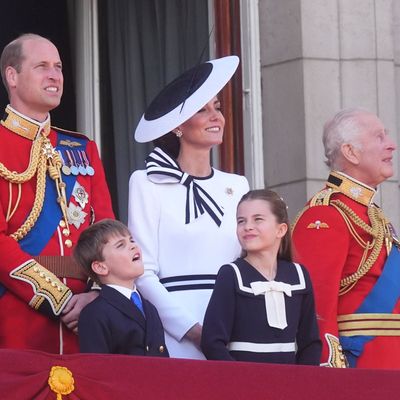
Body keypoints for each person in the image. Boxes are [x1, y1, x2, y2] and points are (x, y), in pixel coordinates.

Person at [128, 56, 249, 359]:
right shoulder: (146, 182)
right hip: (176, 334)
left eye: (217, 108)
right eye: (202, 110)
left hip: (237, 326)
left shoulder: (238, 185)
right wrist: (192, 330)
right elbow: (142, 272)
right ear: (178, 125)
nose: (216, 117)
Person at [0, 33, 114, 354]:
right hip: (18, 320)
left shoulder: (82, 148)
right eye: (41, 67)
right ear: (12, 75)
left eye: (59, 67)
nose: (55, 76)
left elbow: (106, 232)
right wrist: (60, 300)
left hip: (87, 320)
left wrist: (95, 294)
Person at [292, 108, 400, 369]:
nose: (392, 145)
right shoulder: (325, 215)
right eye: (379, 137)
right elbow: (316, 304)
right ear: (351, 152)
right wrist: (330, 374)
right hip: (363, 366)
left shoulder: (371, 215)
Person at [201, 189, 321, 364]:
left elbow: (310, 342)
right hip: (244, 383)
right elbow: (212, 342)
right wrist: (240, 380)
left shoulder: (299, 275)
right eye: (241, 221)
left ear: (281, 229)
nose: (247, 226)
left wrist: (302, 384)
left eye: (258, 219)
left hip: (289, 385)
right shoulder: (231, 274)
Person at [75, 219, 169, 357]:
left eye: (131, 240)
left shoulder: (150, 308)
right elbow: (96, 370)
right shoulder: (95, 313)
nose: (133, 246)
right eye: (120, 245)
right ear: (101, 267)